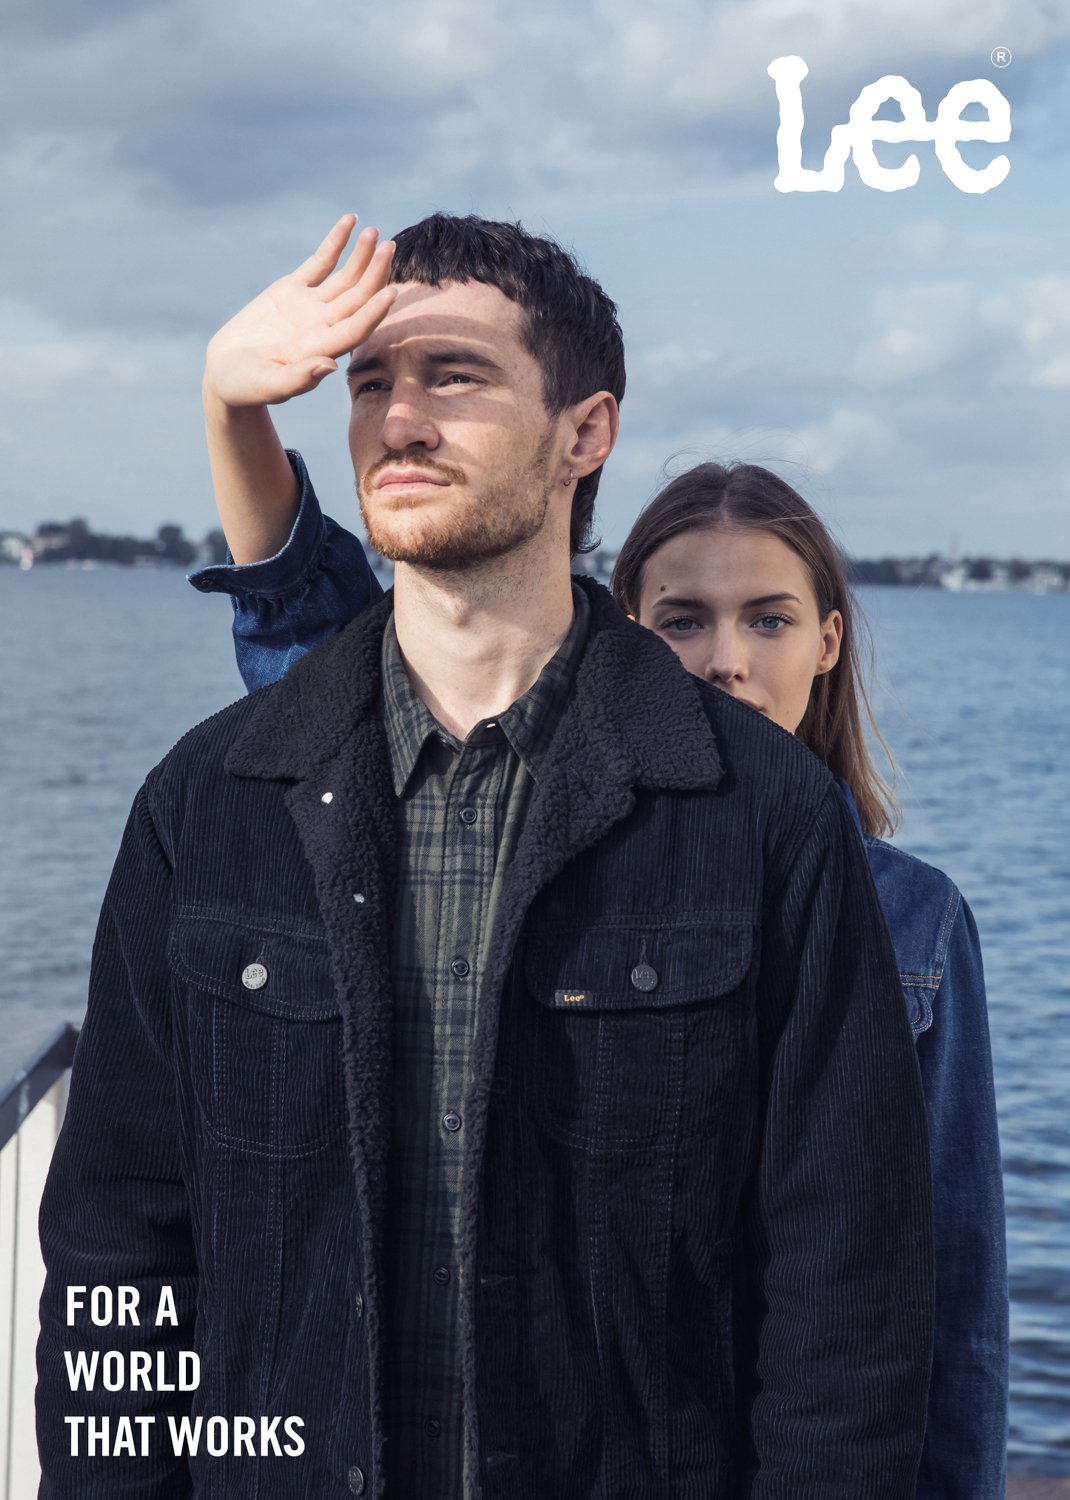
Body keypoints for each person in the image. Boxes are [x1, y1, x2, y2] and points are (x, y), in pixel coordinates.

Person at [37, 214, 934, 1500]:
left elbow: (842, 1296)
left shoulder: (763, 815)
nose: (398, 420)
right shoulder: (208, 804)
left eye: (450, 376)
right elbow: (122, 1250)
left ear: (586, 432)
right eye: (367, 384)